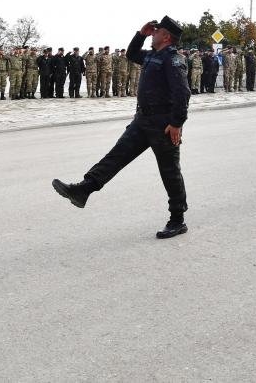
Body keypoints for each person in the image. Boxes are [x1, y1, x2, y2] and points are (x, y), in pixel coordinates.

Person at [52, 16, 192, 239]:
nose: (153, 34)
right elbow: (131, 54)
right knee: (116, 156)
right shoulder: (151, 56)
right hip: (142, 121)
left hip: (163, 125)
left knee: (170, 172)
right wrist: (140, 34)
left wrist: (176, 123)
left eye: (156, 31)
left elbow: (182, 93)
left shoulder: (173, 59)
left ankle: (177, 219)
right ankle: (83, 190)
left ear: (166, 36)